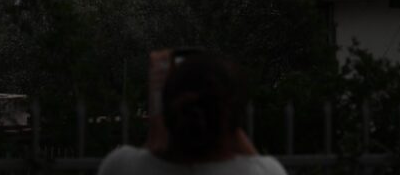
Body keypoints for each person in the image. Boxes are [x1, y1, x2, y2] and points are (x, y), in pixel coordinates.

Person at [97, 52, 287, 175]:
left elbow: (148, 153)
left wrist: (157, 107)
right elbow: (256, 162)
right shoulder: (264, 171)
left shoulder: (120, 166)